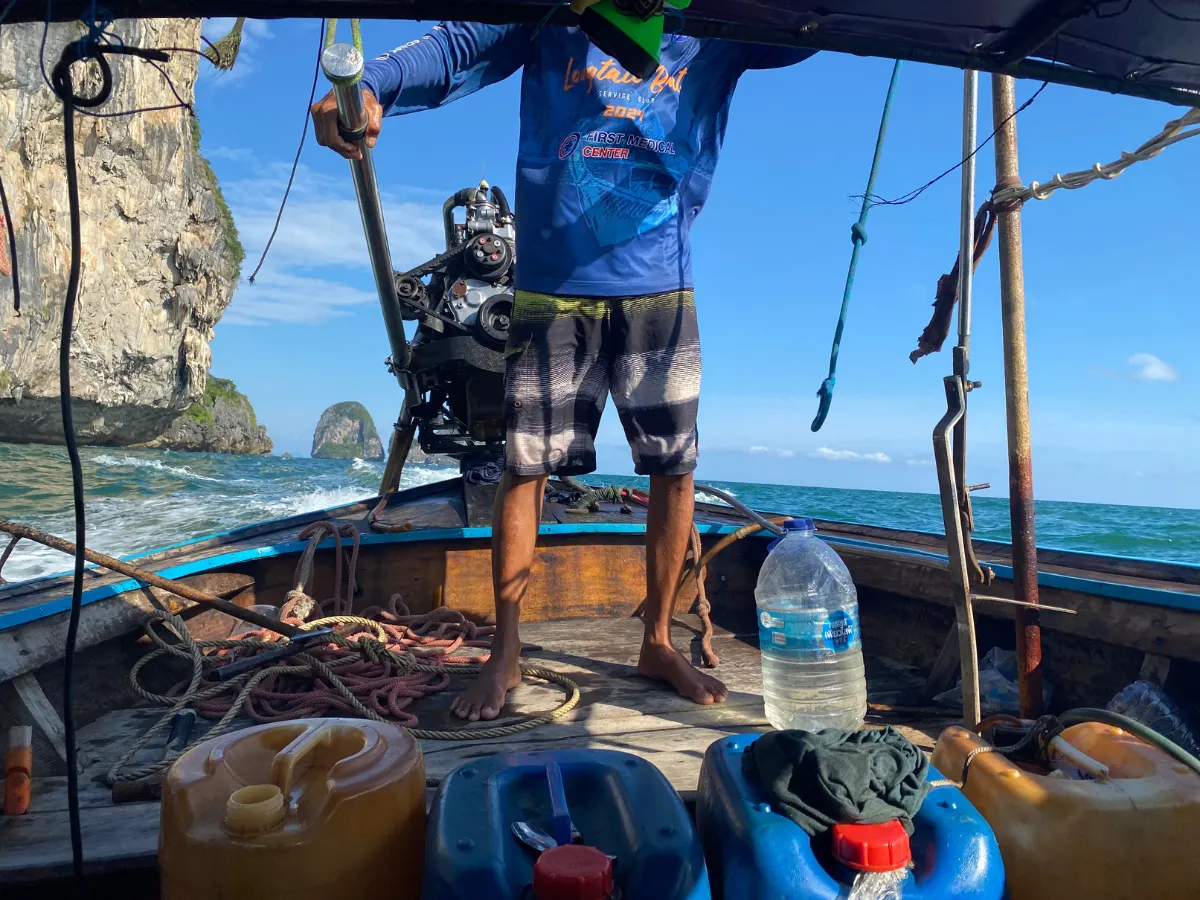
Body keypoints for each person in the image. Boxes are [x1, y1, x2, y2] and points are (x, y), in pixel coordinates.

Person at [313, 21, 814, 721]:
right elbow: (460, 42)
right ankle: (507, 651)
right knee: (525, 467)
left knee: (674, 471)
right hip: (553, 287)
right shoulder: (556, 13)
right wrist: (369, 87)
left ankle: (657, 642)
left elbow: (811, 29)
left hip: (661, 286)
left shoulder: (712, 25)